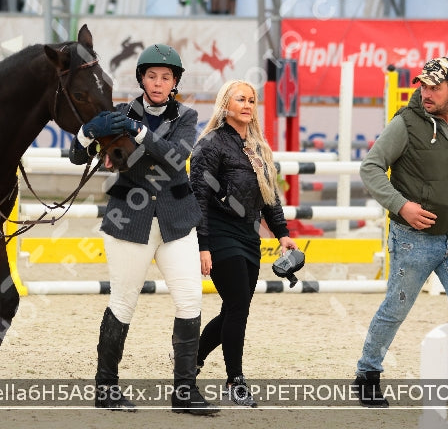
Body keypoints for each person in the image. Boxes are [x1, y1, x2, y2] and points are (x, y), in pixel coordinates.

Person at [68, 44, 216, 415]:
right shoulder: (119, 113)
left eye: (166, 77)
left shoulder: (187, 115)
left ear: (175, 82)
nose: (158, 83)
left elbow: (173, 156)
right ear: (141, 79)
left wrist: (138, 132)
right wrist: (88, 132)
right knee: (123, 301)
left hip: (177, 219)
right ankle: (105, 388)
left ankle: (184, 392)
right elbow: (75, 155)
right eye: (151, 76)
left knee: (190, 299)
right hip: (128, 220)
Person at [353, 57, 448, 407]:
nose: (426, 93)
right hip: (413, 238)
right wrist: (400, 205)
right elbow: (371, 167)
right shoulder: (406, 123)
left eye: (434, 87)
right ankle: (367, 373)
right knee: (396, 307)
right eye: (422, 85)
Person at [189, 79, 298, 407]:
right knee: (237, 307)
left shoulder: (258, 146)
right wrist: (202, 245)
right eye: (241, 99)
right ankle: (235, 381)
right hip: (219, 235)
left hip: (249, 237)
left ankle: (189, 360)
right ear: (225, 105)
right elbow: (198, 197)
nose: (248, 104)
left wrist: (283, 234)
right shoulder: (209, 144)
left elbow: (270, 197)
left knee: (233, 310)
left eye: (252, 100)